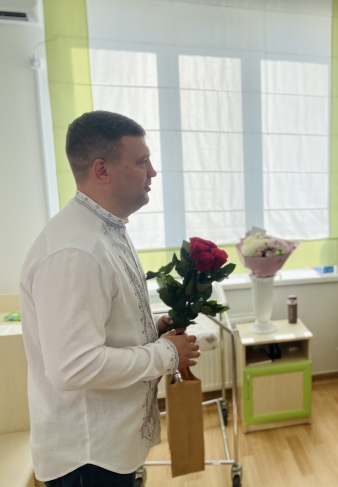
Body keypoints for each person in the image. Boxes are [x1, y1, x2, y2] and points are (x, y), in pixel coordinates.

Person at [20, 110, 201, 486]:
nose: (153, 172)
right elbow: (74, 367)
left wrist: (152, 331)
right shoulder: (75, 251)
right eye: (141, 161)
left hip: (109, 445)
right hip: (87, 457)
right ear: (102, 170)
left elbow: (99, 328)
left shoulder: (105, 230)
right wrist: (167, 354)